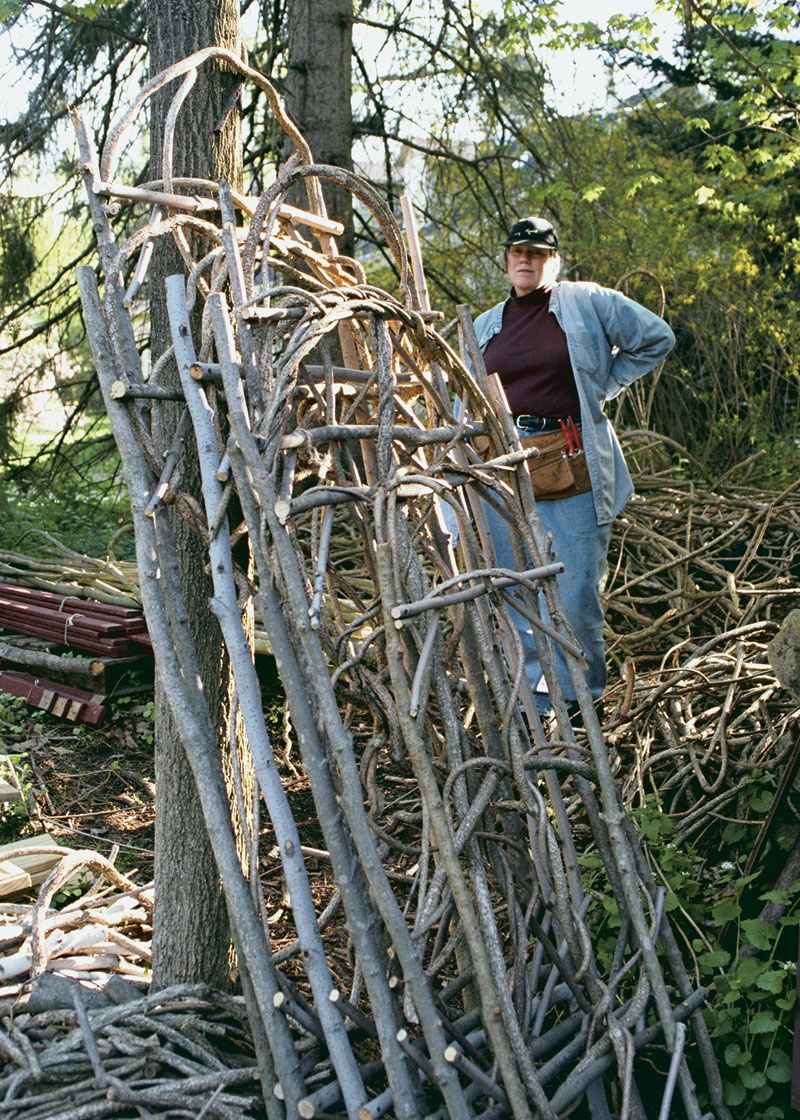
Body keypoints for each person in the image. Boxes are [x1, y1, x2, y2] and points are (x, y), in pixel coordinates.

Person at [471, 216, 675, 714]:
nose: (526, 259)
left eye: (537, 253)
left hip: (569, 452)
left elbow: (657, 338)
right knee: (515, 581)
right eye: (518, 251)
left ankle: (582, 699)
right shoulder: (483, 325)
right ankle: (538, 705)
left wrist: (597, 392)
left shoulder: (588, 302)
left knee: (576, 587)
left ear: (554, 261)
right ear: (505, 260)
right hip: (501, 459)